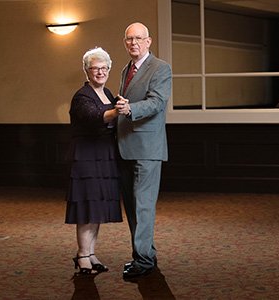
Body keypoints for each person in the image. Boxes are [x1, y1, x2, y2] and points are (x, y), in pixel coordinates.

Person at [115, 22, 172, 280]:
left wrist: (131, 110)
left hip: (148, 149)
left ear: (149, 41)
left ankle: (144, 261)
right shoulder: (126, 69)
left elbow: (157, 102)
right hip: (125, 147)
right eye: (129, 39)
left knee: (144, 206)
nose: (133, 43)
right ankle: (144, 254)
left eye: (138, 38)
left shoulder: (160, 68)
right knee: (133, 206)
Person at [65, 47, 122, 275]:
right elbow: (94, 117)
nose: (100, 72)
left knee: (97, 208)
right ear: (87, 71)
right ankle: (82, 255)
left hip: (105, 154)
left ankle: (91, 253)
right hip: (86, 156)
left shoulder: (108, 93)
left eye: (104, 68)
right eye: (95, 68)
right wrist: (118, 110)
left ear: (109, 69)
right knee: (87, 208)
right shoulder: (82, 96)